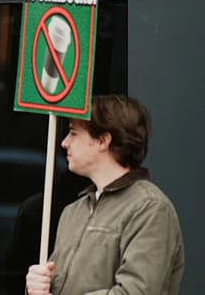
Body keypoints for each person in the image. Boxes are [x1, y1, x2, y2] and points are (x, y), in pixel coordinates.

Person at [25, 95, 185, 294]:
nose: (65, 143)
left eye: (73, 133)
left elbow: (135, 292)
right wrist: (36, 287)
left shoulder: (150, 208)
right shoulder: (73, 212)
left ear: (103, 140)